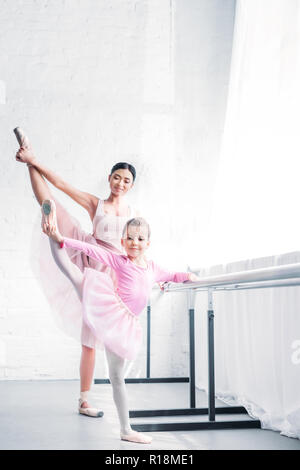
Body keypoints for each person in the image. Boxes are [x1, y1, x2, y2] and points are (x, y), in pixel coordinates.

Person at [41, 200, 200, 443]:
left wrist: (188, 276)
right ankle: (54, 235)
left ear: (148, 243)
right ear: (123, 241)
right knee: (73, 274)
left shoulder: (153, 268)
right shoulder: (119, 260)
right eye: (130, 238)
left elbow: (172, 275)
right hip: (108, 306)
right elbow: (92, 250)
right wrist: (64, 240)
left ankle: (126, 429)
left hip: (122, 324)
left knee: (117, 377)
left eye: (140, 239)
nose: (135, 243)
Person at [14, 127, 140, 418]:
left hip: (116, 274)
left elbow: (137, 247)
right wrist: (35, 161)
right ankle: (84, 400)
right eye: (117, 177)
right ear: (109, 178)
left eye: (126, 180)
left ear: (131, 185)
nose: (120, 183)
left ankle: (108, 390)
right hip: (90, 258)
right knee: (90, 338)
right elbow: (60, 183)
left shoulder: (133, 212)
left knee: (109, 337)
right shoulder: (97, 203)